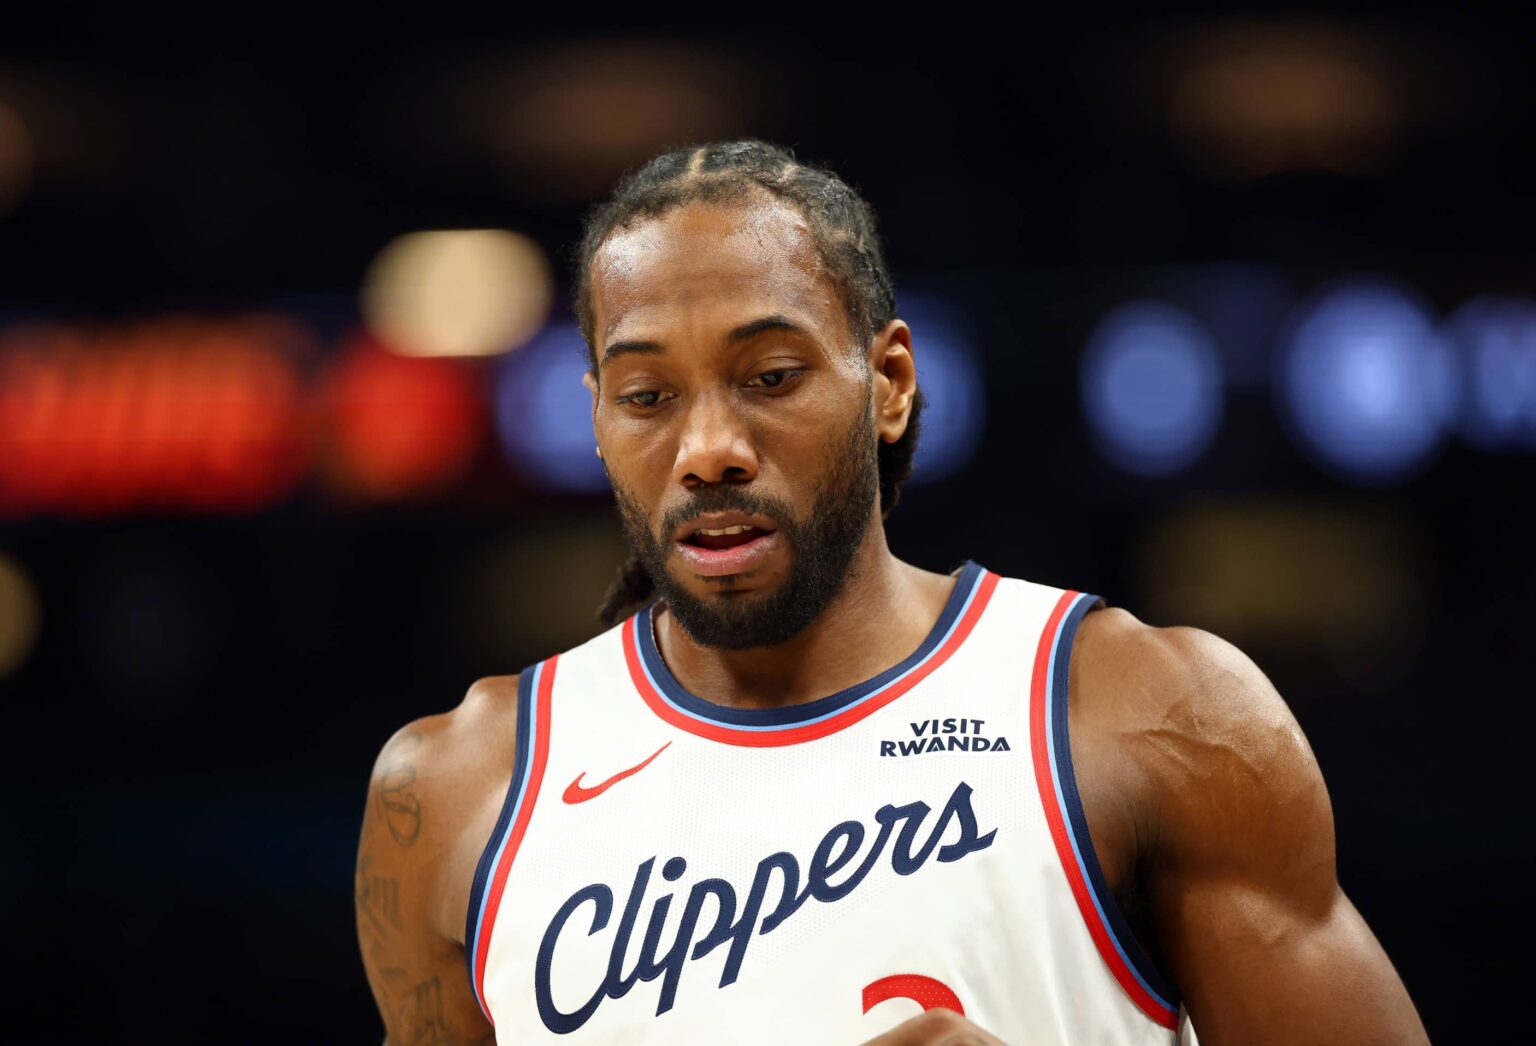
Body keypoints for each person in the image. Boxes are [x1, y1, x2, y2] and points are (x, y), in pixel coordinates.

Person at [354, 140, 1428, 1044]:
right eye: (647, 395)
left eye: (771, 376)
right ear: (595, 418)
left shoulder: (1139, 706)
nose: (709, 448)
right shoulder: (456, 788)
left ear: (892, 385)